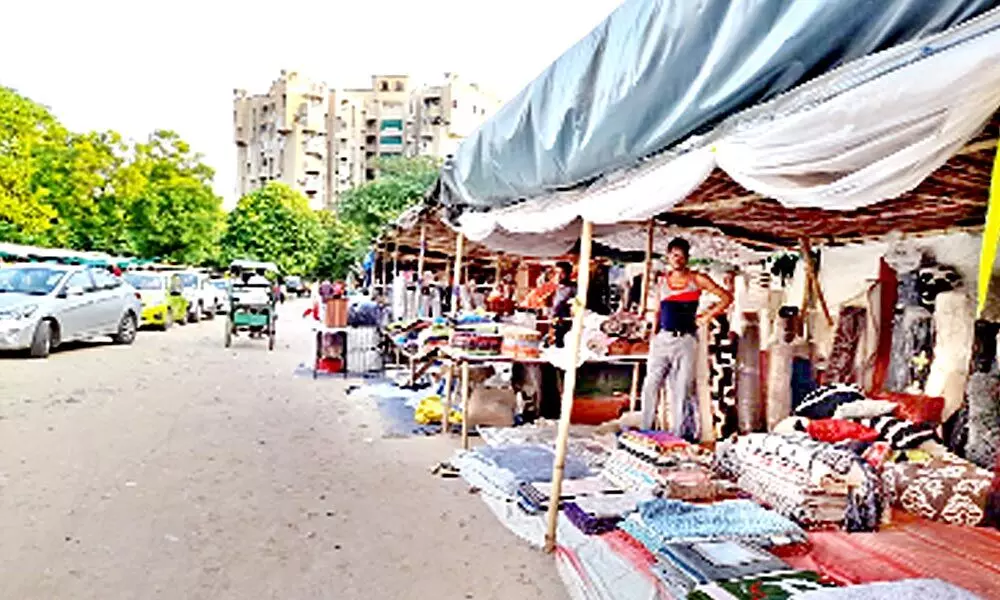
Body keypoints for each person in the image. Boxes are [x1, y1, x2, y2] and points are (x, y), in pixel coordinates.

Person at [641, 237, 733, 440]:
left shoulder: (697, 279)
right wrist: (652, 336)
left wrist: (706, 316)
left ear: (687, 258)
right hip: (662, 340)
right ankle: (645, 432)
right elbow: (657, 310)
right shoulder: (662, 280)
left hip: (686, 341)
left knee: (681, 390)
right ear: (668, 257)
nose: (677, 260)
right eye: (674, 255)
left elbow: (726, 297)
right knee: (650, 385)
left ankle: (679, 437)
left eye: (681, 256)